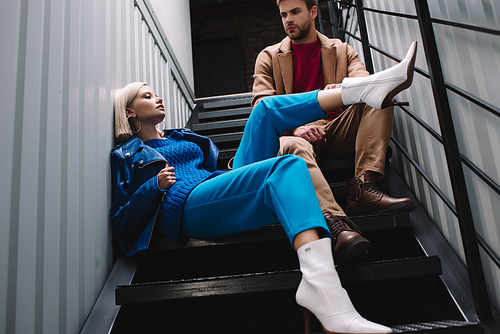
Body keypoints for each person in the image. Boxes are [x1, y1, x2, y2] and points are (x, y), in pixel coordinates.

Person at [109, 43, 417, 333]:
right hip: (187, 204)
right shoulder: (128, 154)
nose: (158, 98)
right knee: (286, 167)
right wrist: (153, 186)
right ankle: (326, 290)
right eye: (147, 96)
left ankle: (361, 90)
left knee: (266, 110)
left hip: (214, 182)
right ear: (129, 112)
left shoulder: (180, 137)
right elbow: (121, 222)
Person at [252, 0, 417, 264]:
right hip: (295, 135)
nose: (288, 20)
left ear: (313, 11)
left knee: (379, 95)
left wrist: (343, 88)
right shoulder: (269, 56)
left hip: (338, 129)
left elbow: (364, 81)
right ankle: (336, 225)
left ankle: (364, 188)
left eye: (295, 12)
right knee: (293, 147)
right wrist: (295, 127)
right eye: (283, 15)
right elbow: (261, 104)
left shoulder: (340, 50)